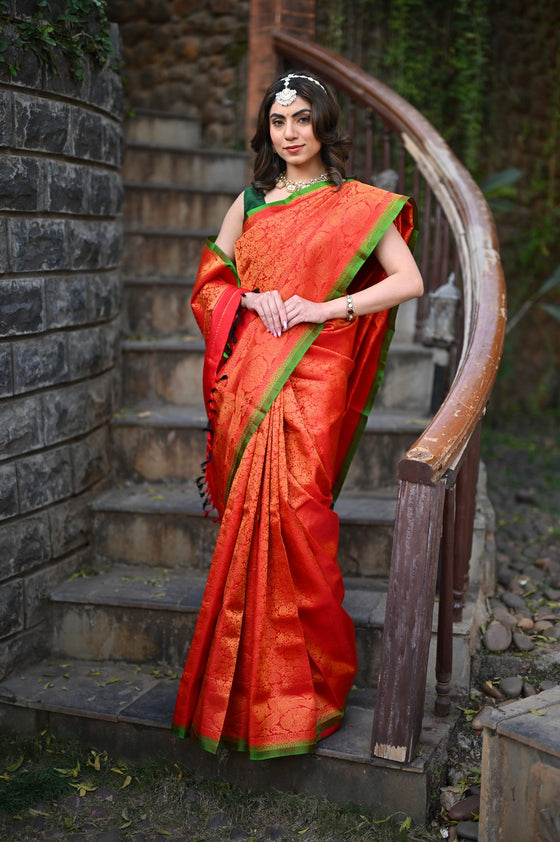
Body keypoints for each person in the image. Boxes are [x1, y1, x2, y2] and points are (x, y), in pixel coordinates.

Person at [172, 71, 423, 759]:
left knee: (298, 517)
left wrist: (323, 307)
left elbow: (409, 280)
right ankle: (241, 697)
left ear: (324, 124)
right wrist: (250, 300)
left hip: (316, 369)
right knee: (251, 519)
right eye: (278, 120)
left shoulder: (355, 204)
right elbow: (211, 285)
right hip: (253, 370)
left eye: (303, 118)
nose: (290, 132)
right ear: (267, 129)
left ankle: (309, 689)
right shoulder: (250, 201)